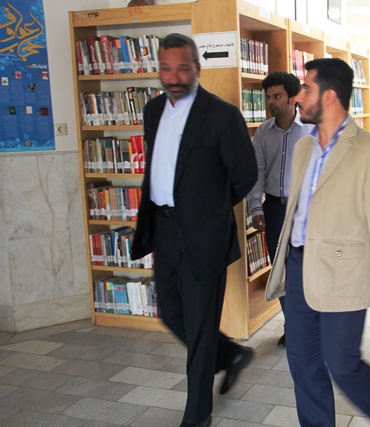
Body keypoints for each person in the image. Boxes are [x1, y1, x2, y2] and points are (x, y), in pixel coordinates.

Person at [265, 58, 370, 426]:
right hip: (299, 267)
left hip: (345, 271)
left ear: (328, 97)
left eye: (305, 88)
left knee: (342, 364)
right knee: (303, 363)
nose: (298, 96)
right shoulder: (304, 148)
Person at [131, 33, 257, 427]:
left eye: (182, 68)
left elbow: (246, 174)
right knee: (171, 311)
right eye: (166, 68)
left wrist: (210, 210)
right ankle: (231, 355)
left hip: (205, 234)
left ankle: (197, 414)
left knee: (201, 324)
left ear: (197, 68)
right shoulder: (153, 110)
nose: (173, 77)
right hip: (164, 229)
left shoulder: (221, 115)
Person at [246, 72, 313, 348]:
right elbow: (256, 172)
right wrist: (255, 208)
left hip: (305, 212)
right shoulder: (264, 131)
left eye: (277, 96)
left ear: (292, 98)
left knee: (304, 271)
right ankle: (293, 326)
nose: (271, 102)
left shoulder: (311, 129)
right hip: (273, 210)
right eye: (268, 97)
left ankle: (308, 326)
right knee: (281, 272)